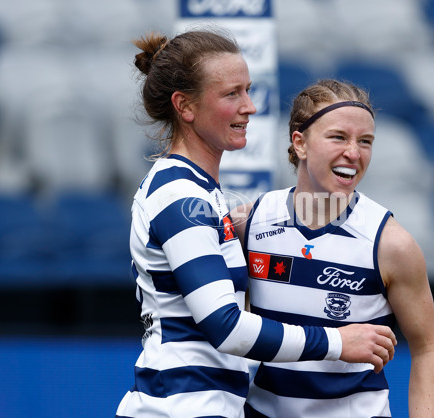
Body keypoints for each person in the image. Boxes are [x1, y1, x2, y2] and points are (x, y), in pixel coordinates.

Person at [115, 30, 398, 418]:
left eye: (248, 90)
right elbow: (226, 327)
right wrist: (337, 342)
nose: (249, 105)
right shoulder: (180, 194)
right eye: (232, 94)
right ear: (185, 106)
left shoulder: (201, 193)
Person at [234, 79, 434, 417]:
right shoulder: (250, 223)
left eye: (365, 141)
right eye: (338, 137)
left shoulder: (391, 244)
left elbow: (428, 349)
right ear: (299, 143)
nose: (354, 153)